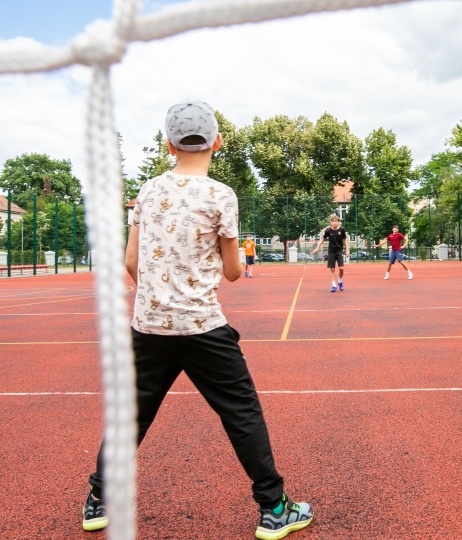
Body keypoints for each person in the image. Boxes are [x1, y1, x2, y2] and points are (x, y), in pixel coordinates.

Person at [83, 99, 313, 540]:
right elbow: (232, 272)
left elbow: (130, 261)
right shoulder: (220, 196)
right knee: (241, 413)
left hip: (148, 326)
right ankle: (274, 507)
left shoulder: (148, 191)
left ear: (169, 145)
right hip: (202, 326)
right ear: (217, 142)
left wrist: (158, 297)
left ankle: (98, 498)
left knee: (131, 416)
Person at [312, 215, 349, 292]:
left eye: (336, 221)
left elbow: (344, 239)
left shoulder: (342, 230)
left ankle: (340, 281)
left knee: (341, 268)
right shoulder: (328, 230)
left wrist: (347, 249)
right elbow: (323, 239)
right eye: (333, 221)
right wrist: (317, 248)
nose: (334, 223)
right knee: (332, 269)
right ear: (330, 222)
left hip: (339, 251)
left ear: (338, 222)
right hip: (331, 251)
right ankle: (334, 285)